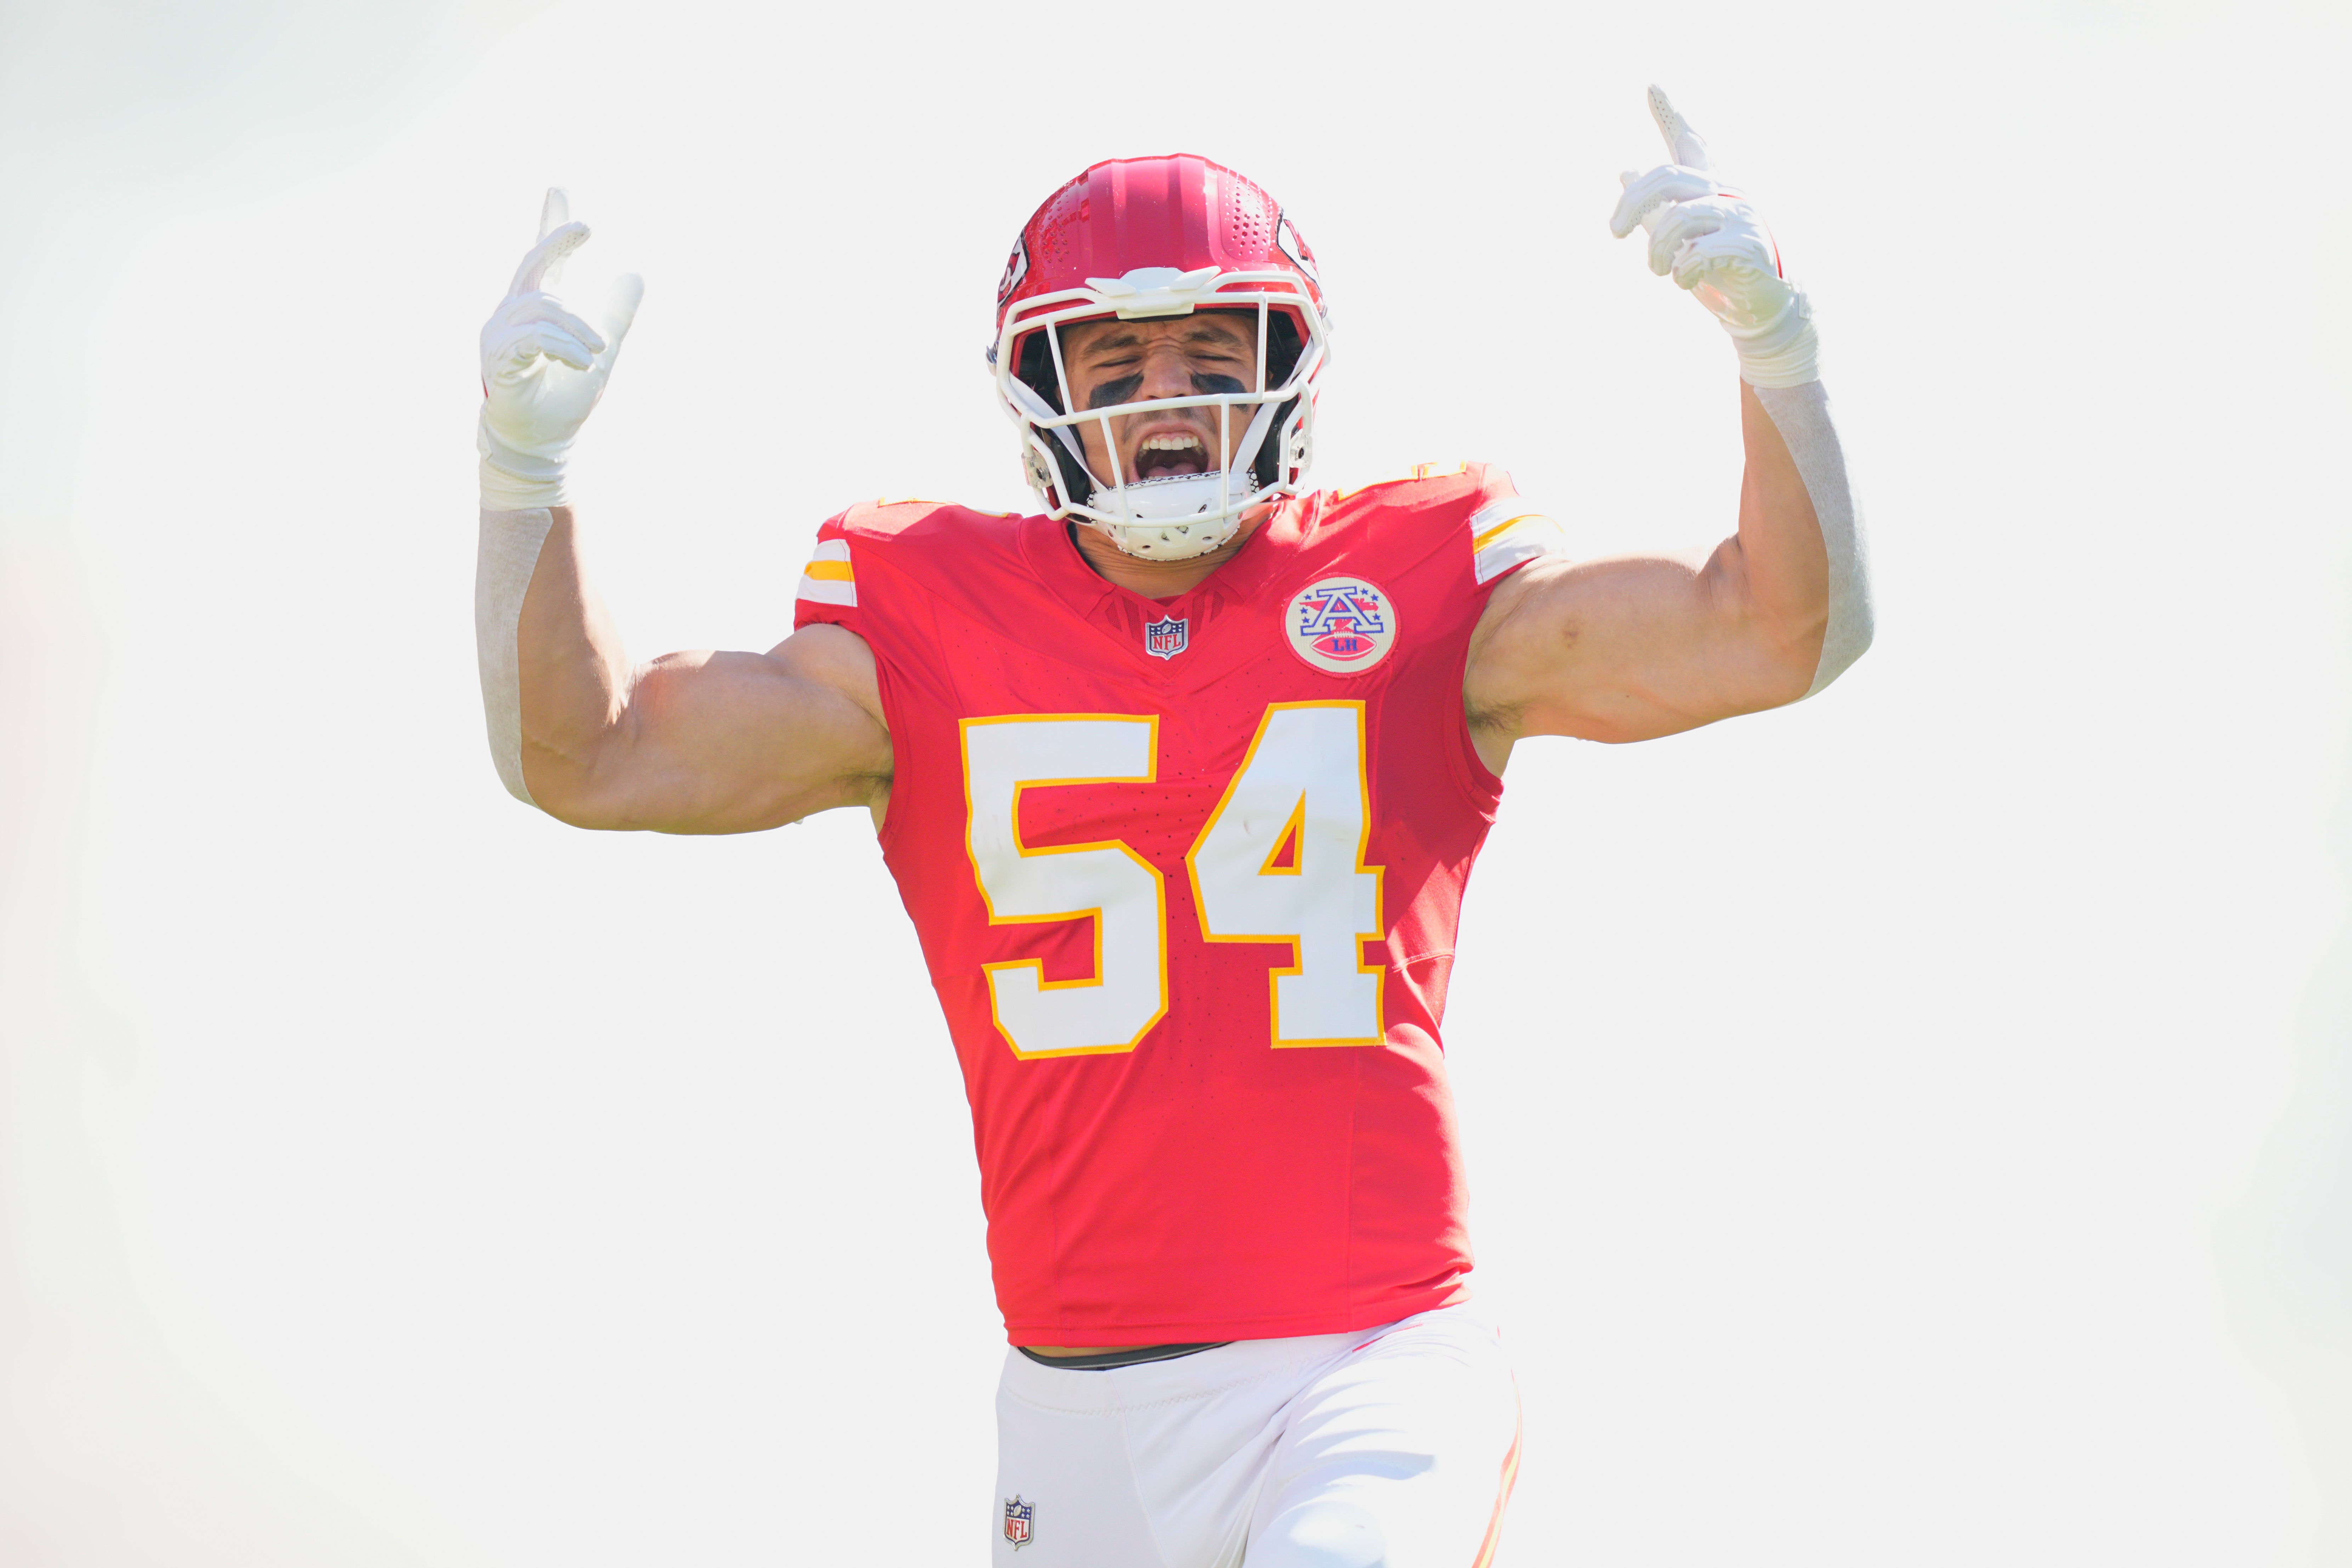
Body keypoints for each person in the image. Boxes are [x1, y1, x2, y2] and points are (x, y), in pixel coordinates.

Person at [470, 87, 1869, 1568]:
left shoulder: (1410, 575)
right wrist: (522, 479)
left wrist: (1776, 349)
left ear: (1288, 368)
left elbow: (1778, 633)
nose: (1165, 396)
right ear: (1037, 384)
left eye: (1212, 350)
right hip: (1072, 1415)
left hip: (1371, 1368)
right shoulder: (923, 617)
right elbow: (594, 758)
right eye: (1116, 357)